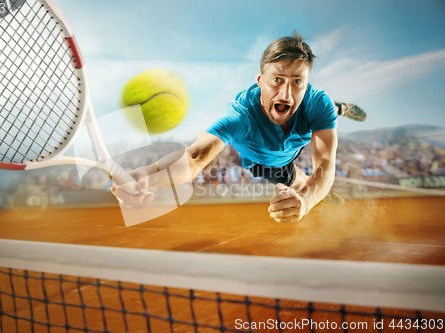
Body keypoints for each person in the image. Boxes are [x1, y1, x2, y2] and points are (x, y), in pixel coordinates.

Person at [112, 31, 366, 223]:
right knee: (297, 181)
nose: (286, 93)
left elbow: (326, 165)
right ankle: (320, 189)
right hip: (265, 161)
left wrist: (309, 201)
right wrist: (148, 176)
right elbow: (194, 157)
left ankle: (339, 109)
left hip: (301, 131)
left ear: (307, 82)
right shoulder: (240, 117)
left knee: (325, 110)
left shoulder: (315, 102)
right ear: (260, 80)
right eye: (277, 79)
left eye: (298, 81)